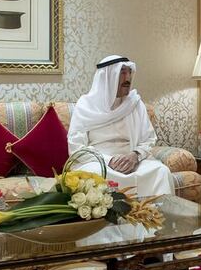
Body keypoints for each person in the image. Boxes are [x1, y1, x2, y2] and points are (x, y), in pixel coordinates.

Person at [68, 55, 173, 197]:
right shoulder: (85, 106)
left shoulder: (135, 103)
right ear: (108, 77)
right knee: (94, 175)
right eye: (122, 72)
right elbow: (76, 147)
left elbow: (148, 139)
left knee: (161, 171)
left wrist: (135, 155)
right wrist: (109, 160)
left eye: (129, 72)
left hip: (132, 160)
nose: (128, 77)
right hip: (98, 161)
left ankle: (156, 217)